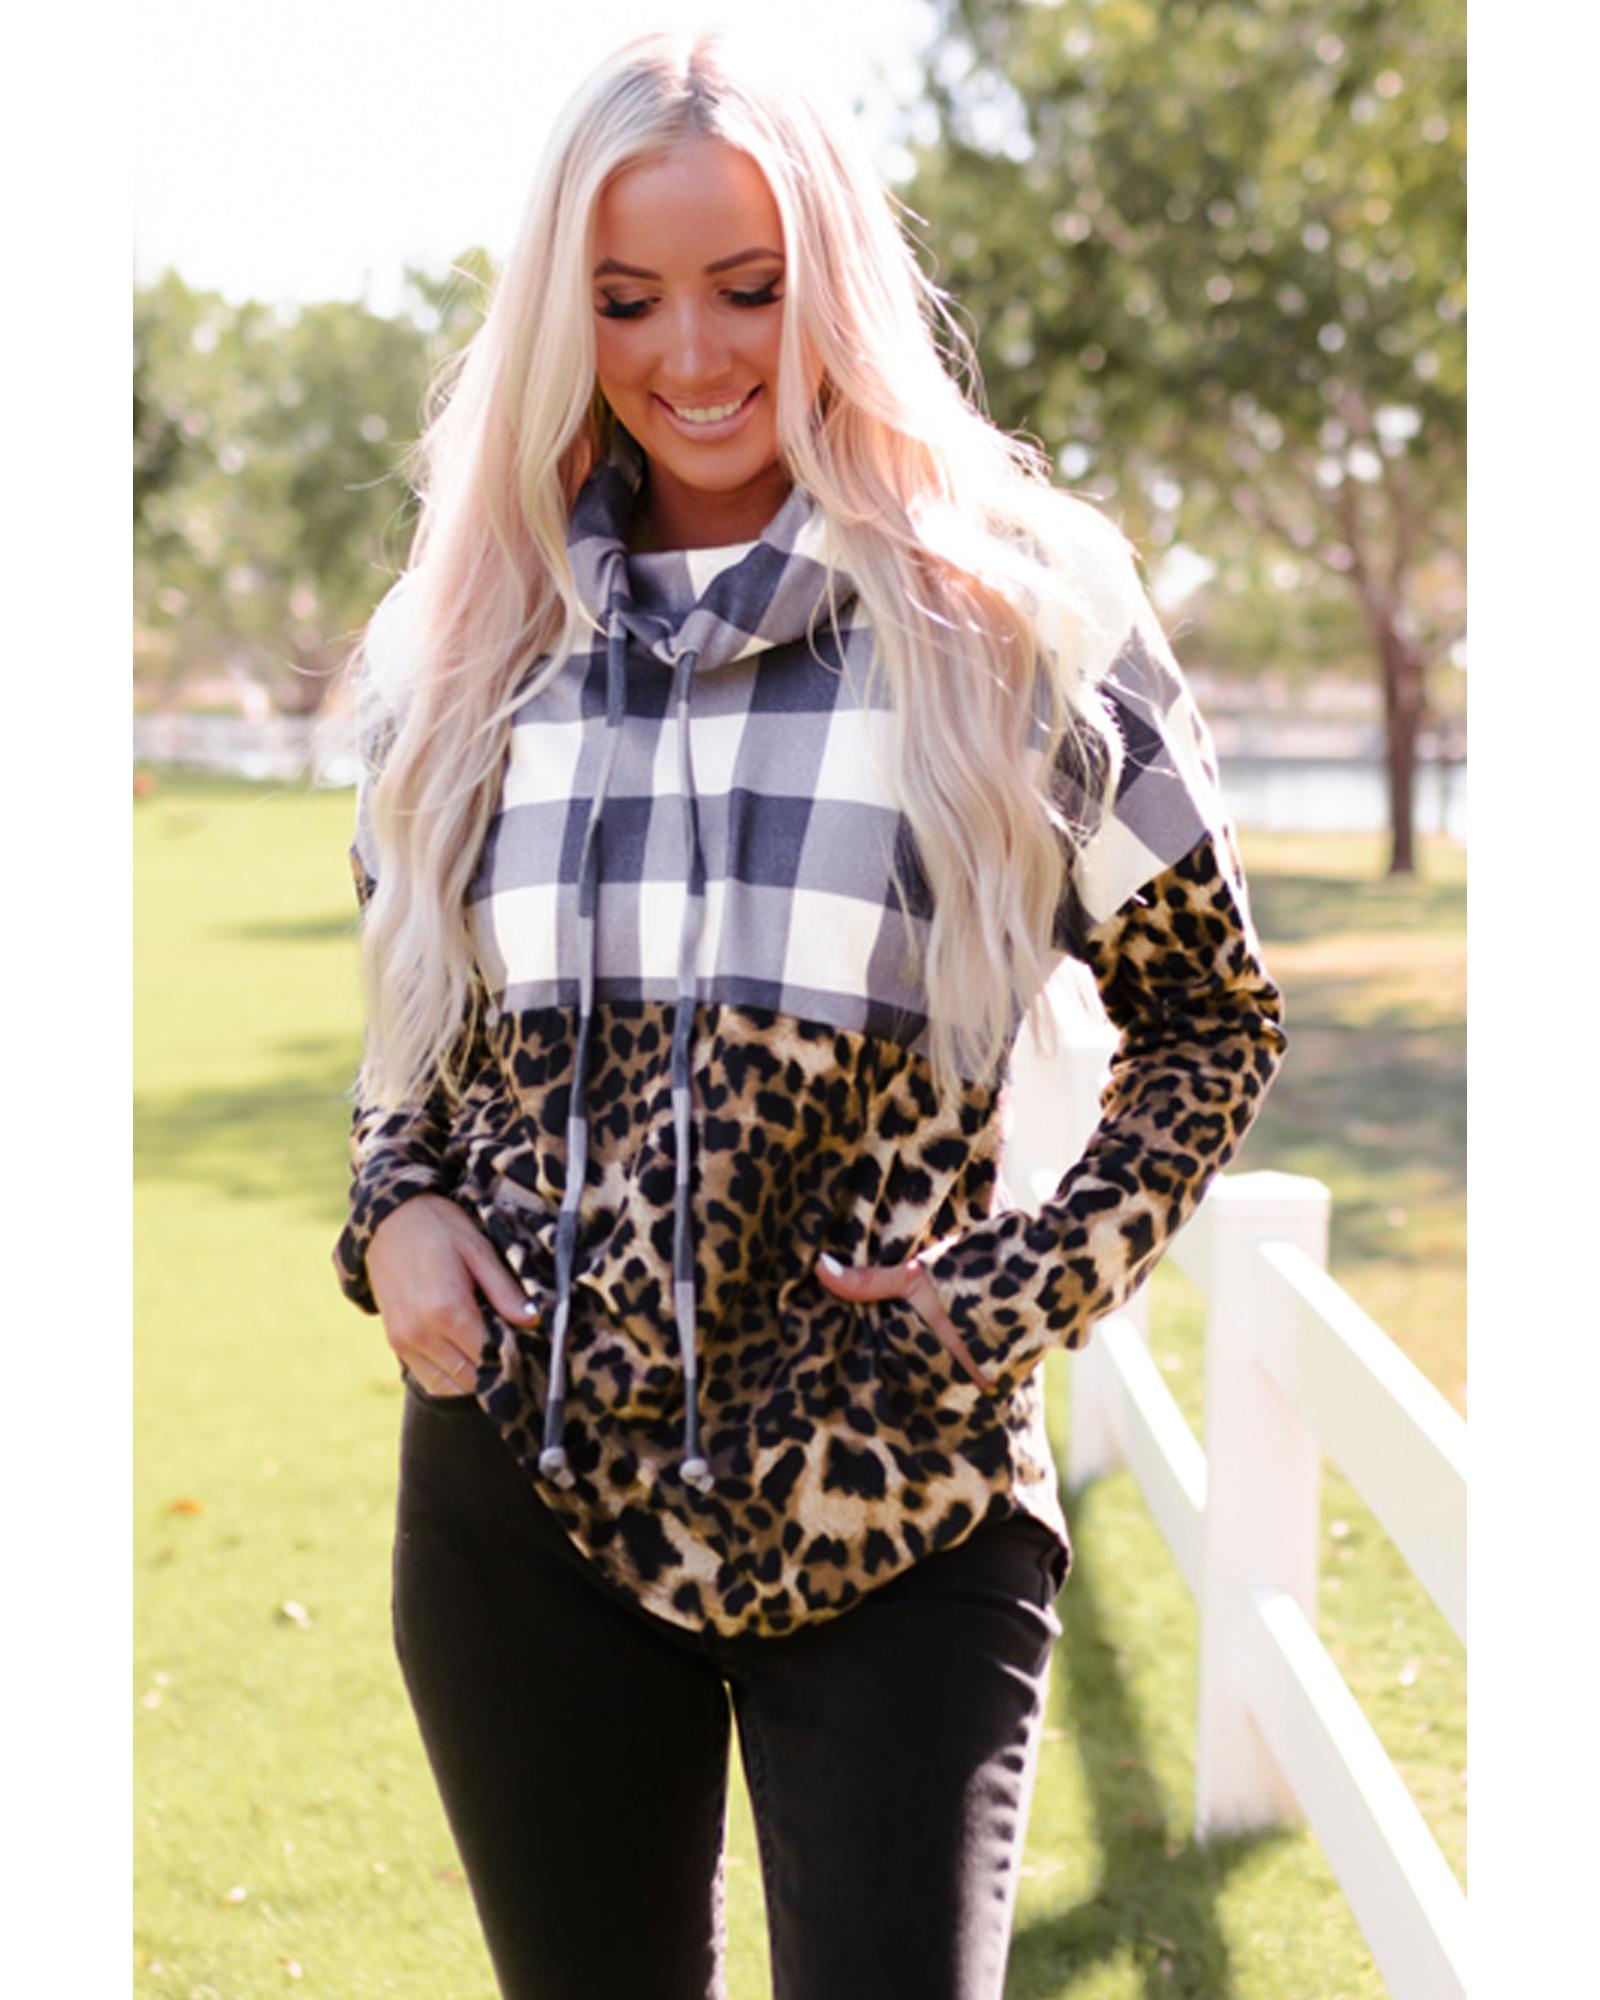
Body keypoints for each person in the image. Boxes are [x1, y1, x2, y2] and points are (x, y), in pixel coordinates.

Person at [332, 26, 1287, 2000]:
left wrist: (1020, 1287)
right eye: (625, 299)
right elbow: (410, 1028)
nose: (690, 351)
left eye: (747, 287)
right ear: (562, 315)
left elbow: (1212, 1018)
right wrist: (394, 1205)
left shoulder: (1017, 613)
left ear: (830, 278)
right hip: (526, 1511)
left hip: (901, 1509)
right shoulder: (465, 634)